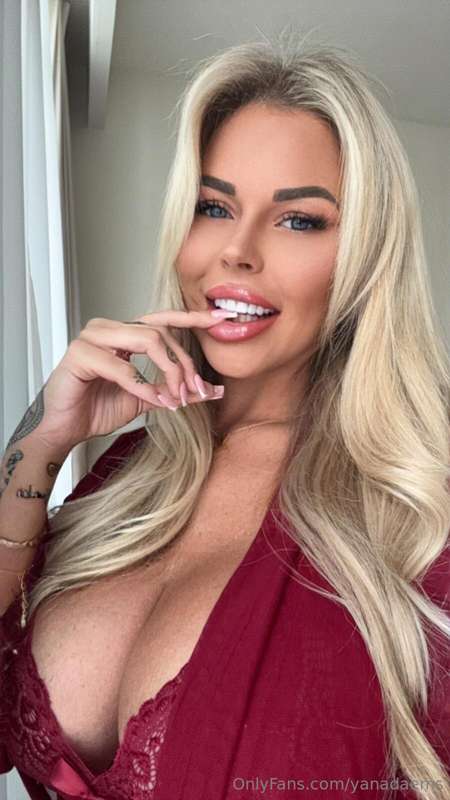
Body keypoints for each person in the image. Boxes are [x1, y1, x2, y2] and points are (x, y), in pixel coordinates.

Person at [1, 29, 449, 800]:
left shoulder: (420, 507)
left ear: (367, 259)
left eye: (298, 219)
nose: (236, 252)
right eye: (214, 207)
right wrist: (41, 439)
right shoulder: (127, 477)